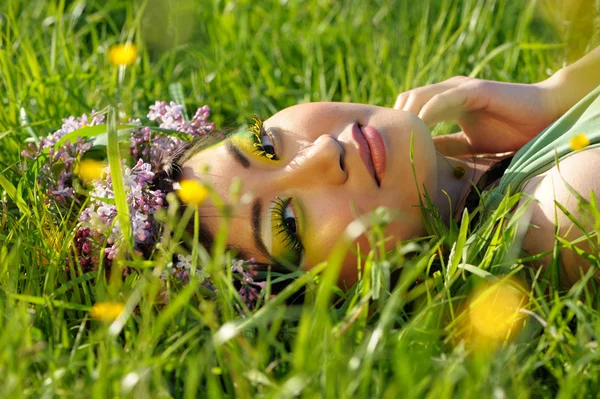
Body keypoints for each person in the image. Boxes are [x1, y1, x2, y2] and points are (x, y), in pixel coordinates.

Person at [167, 45, 600, 287]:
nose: (321, 153)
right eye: (290, 223)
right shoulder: (561, 213)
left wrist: (557, 93)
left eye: (264, 145)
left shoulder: (522, 165)